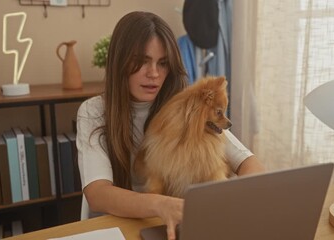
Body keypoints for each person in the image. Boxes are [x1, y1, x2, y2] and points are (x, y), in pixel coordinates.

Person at [76, 11, 264, 240]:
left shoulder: (183, 105)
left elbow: (249, 162)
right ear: (120, 61)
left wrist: (233, 198)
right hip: (117, 226)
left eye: (162, 63)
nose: (154, 73)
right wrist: (159, 204)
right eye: (141, 62)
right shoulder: (93, 112)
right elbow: (98, 194)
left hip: (172, 224)